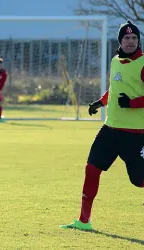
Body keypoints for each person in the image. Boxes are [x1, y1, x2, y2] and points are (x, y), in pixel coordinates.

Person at [60, 20, 144, 230]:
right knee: (91, 168)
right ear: (120, 41)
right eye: (127, 38)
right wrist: (101, 102)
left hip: (136, 135)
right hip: (110, 130)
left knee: (138, 181)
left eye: (134, 38)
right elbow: (115, 88)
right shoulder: (115, 61)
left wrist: (133, 103)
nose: (131, 41)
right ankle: (84, 221)